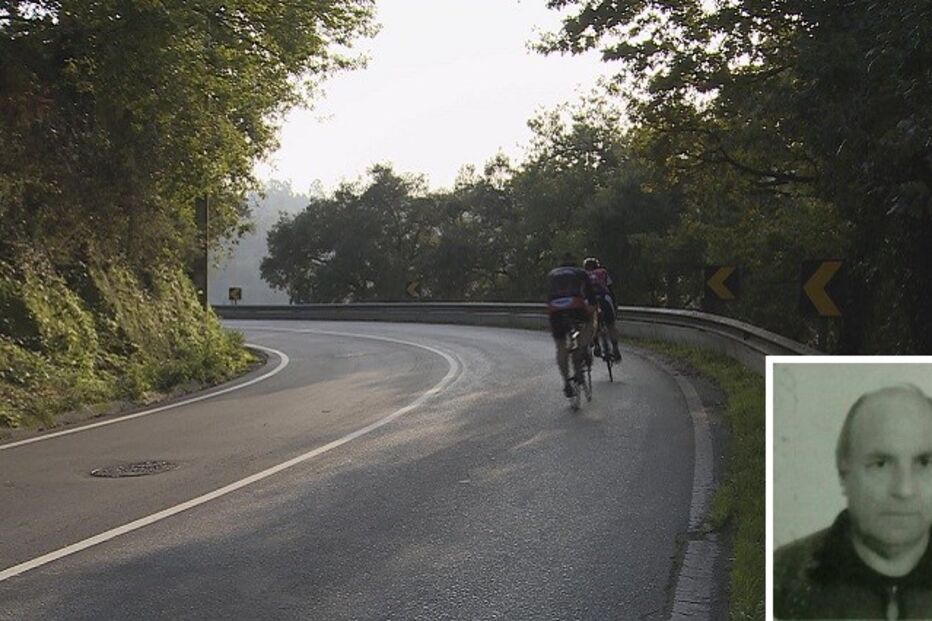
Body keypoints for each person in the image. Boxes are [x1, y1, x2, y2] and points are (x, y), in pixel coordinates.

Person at [774, 384, 932, 619]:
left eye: (924, 463)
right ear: (843, 473)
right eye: (880, 464)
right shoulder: (780, 582)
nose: (904, 489)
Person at [546, 252, 596, 398]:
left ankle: (566, 383)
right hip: (575, 304)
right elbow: (590, 296)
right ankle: (582, 348)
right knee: (588, 323)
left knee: (561, 346)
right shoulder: (580, 272)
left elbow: (548, 295)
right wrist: (592, 308)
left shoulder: (552, 274)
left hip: (555, 308)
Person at [583, 256, 622, 362]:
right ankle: (615, 348)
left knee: (590, 324)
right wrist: (614, 304)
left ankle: (596, 345)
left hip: (590, 301)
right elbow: (610, 288)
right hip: (605, 298)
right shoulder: (603, 272)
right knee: (611, 325)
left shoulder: (583, 275)